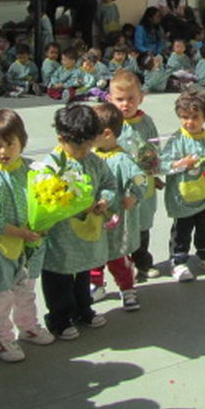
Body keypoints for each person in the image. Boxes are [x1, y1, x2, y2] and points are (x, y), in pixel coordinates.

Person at [0, 109, 54, 364]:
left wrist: (47, 219)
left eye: (10, 144)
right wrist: (22, 233)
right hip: (1, 245)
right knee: (1, 295)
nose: (3, 151)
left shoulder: (33, 169)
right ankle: (0, 337)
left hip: (29, 243)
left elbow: (46, 198)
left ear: (22, 142)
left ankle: (28, 326)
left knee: (26, 288)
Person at [39, 104, 116, 340]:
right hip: (61, 233)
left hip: (87, 231)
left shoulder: (94, 161)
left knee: (83, 271)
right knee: (59, 275)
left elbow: (109, 184)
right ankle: (59, 317)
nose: (84, 152)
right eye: (78, 147)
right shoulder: (52, 163)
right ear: (62, 138)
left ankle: (84, 309)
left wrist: (104, 201)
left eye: (88, 146)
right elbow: (41, 196)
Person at [161, 89, 205, 281]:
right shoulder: (177, 139)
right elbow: (161, 164)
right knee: (181, 232)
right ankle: (178, 261)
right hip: (182, 199)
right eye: (184, 117)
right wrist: (180, 164)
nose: (189, 122)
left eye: (194, 117)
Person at [90, 102, 148, 311]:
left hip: (116, 222)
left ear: (106, 134)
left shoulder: (122, 159)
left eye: (91, 133)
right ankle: (96, 284)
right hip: (94, 218)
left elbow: (142, 180)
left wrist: (133, 196)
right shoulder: (90, 156)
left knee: (117, 257)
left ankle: (127, 287)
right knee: (94, 256)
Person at [109, 70, 162, 281]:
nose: (125, 104)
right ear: (110, 99)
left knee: (141, 225)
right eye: (119, 99)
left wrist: (155, 173)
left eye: (131, 99)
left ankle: (142, 262)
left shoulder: (146, 122)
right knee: (119, 227)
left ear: (141, 98)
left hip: (143, 184)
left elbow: (155, 150)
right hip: (118, 185)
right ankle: (120, 267)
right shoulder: (109, 123)